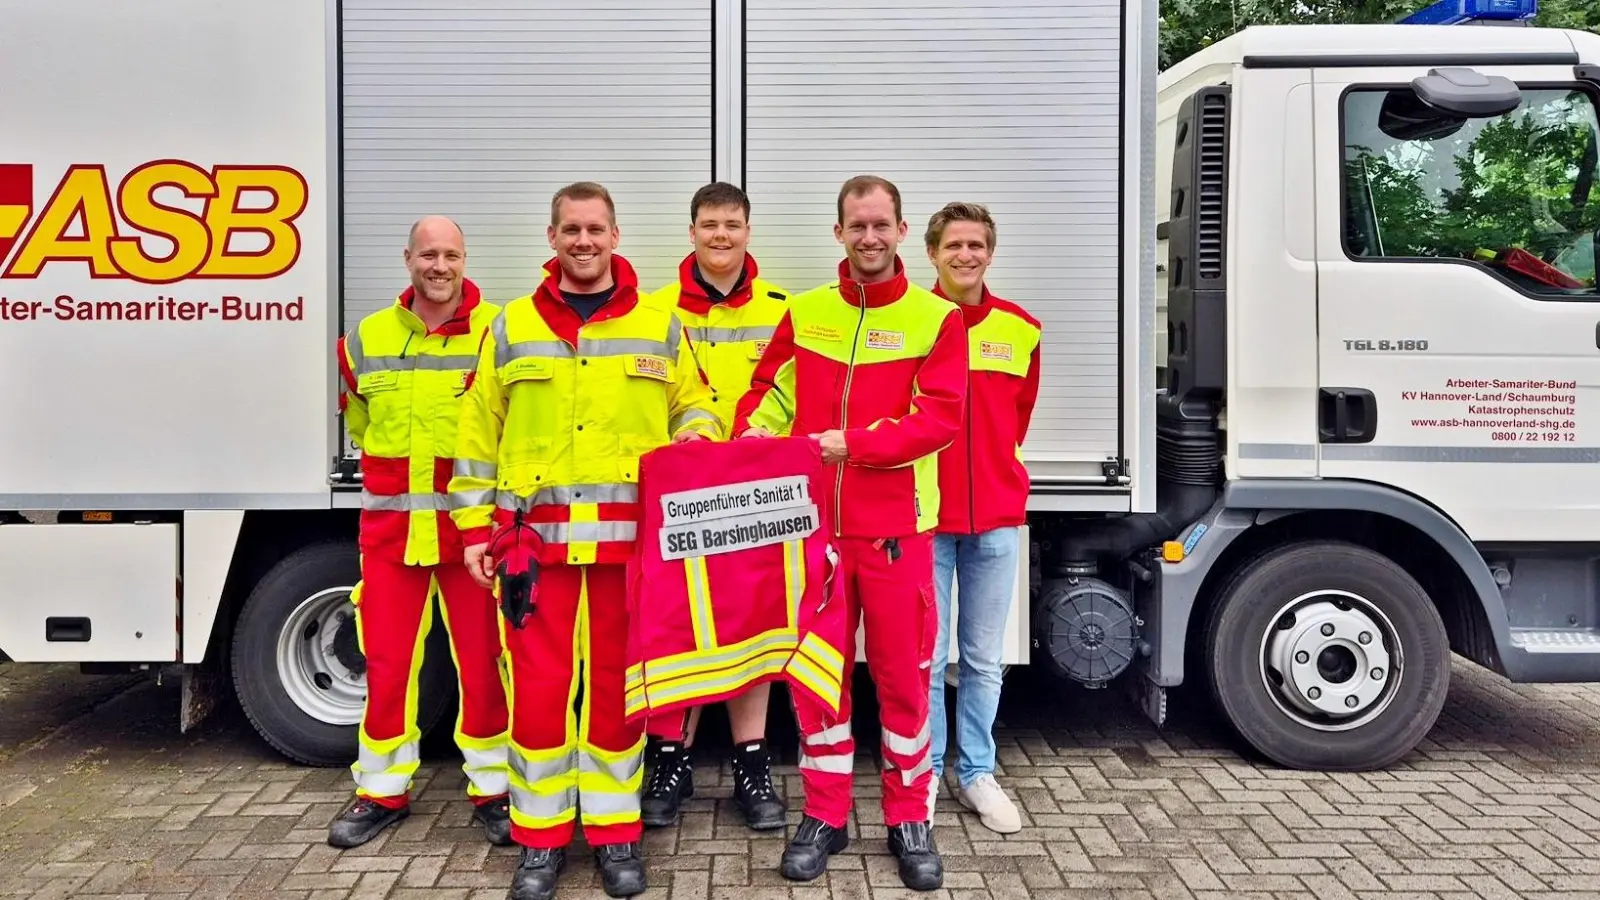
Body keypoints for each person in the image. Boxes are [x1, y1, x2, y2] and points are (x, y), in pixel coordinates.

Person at [448, 181, 722, 900]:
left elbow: (697, 407)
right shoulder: (510, 326)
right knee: (537, 693)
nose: (583, 241)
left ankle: (614, 832)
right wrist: (473, 528)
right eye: (571, 229)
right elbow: (476, 435)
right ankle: (539, 842)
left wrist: (695, 442)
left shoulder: (660, 325)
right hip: (532, 551)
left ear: (615, 235)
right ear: (552, 238)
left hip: (627, 553)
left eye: (595, 229)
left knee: (616, 695)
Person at [733, 174, 968, 892]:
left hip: (897, 534)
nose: (869, 237)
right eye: (856, 226)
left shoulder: (937, 318)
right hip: (813, 535)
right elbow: (768, 397)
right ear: (838, 232)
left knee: (905, 683)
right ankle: (825, 815)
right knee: (818, 686)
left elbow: (939, 419)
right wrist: (749, 439)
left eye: (880, 225)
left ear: (902, 232)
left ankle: (909, 819)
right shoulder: (805, 313)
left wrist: (852, 446)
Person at [327, 215, 512, 849]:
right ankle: (381, 789)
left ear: (465, 259)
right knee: (386, 664)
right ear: (407, 258)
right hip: (391, 534)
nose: (440, 266)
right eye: (428, 254)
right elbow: (360, 422)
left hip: (470, 534)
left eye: (451, 254)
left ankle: (493, 788)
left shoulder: (499, 331)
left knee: (486, 664)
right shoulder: (365, 338)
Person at [638, 181, 790, 832]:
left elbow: (792, 394)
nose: (721, 235)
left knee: (752, 625)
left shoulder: (783, 310)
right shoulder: (653, 310)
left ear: (748, 231)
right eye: (709, 224)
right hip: (679, 495)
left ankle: (752, 764)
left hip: (755, 494)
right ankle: (669, 761)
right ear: (692, 231)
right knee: (676, 627)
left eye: (732, 224)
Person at [923, 202, 1040, 834]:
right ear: (932, 253)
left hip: (995, 515)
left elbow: (1016, 419)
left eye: (975, 245)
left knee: (983, 658)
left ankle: (976, 773)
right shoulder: (912, 322)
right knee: (926, 655)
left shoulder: (1021, 329)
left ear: (990, 253)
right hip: (926, 515)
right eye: (953, 245)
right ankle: (926, 772)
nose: (965, 255)